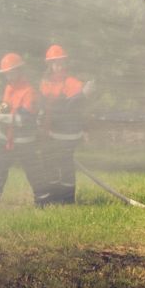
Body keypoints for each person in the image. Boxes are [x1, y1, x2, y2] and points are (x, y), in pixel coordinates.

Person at [0, 53, 51, 205]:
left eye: (11, 72)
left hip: (24, 141)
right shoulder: (9, 88)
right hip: (5, 138)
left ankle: (43, 201)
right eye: (6, 73)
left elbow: (27, 118)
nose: (8, 76)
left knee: (33, 171)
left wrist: (6, 118)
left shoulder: (29, 92)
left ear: (20, 70)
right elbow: (6, 105)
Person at [39, 45, 90, 205]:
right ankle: (54, 197)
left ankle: (67, 199)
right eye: (55, 63)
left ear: (66, 63)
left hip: (68, 133)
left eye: (61, 62)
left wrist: (82, 96)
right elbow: (44, 106)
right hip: (51, 131)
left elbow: (70, 109)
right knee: (49, 163)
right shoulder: (45, 83)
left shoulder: (73, 83)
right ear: (49, 65)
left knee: (65, 164)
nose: (59, 66)